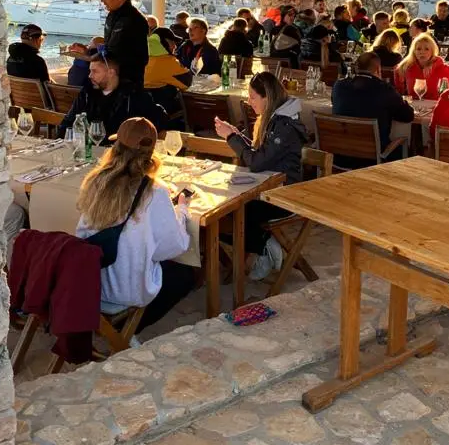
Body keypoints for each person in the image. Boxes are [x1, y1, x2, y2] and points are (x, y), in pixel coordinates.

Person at [76, 118, 194, 332]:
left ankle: (119, 330)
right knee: (186, 273)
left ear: (116, 147)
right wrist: (182, 210)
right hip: (126, 290)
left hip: (90, 282)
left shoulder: (95, 181)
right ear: (152, 153)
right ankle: (128, 328)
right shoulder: (153, 191)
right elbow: (173, 246)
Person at [214, 72, 308, 275]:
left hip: (284, 194)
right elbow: (262, 154)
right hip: (267, 185)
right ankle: (262, 245)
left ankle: (263, 247)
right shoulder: (274, 118)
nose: (249, 102)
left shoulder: (284, 125)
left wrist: (231, 138)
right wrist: (236, 135)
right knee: (223, 209)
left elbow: (257, 162)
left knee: (238, 211)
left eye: (253, 97)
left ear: (267, 97)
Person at [60, 54, 167, 138]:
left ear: (111, 73)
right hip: (90, 149)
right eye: (90, 71)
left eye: (95, 71)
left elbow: (157, 123)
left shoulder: (133, 95)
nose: (90, 76)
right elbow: (69, 121)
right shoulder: (87, 93)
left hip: (121, 152)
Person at [332, 51, 414, 155]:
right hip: (373, 157)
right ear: (378, 69)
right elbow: (407, 116)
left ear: (356, 68)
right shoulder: (384, 89)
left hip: (339, 153)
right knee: (407, 148)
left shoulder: (339, 86)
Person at [98, 0, 149, 86]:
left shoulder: (136, 20)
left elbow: (141, 58)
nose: (102, 0)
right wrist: (89, 52)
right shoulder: (111, 16)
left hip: (127, 84)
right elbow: (109, 47)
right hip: (111, 80)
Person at [400, 34, 449, 99]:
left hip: (436, 105)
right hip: (413, 104)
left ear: (432, 51)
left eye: (426, 49)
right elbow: (399, 92)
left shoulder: (445, 70)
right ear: (414, 51)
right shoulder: (406, 67)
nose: (422, 52)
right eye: (418, 49)